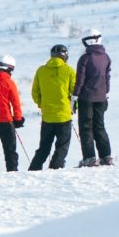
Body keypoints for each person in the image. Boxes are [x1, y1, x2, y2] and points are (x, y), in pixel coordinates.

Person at [29, 43, 77, 171]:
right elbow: (74, 92)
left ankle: (34, 169)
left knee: (44, 147)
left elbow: (35, 93)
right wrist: (73, 107)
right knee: (62, 147)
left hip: (47, 116)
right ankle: (55, 169)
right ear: (65, 56)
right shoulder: (69, 70)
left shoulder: (41, 70)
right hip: (64, 116)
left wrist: (42, 104)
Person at [75, 28, 113, 167]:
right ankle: (106, 156)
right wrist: (106, 93)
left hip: (86, 98)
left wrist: (74, 96)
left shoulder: (85, 58)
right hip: (102, 97)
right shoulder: (106, 57)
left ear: (87, 41)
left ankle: (90, 158)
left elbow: (80, 79)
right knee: (100, 126)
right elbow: (107, 77)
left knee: (86, 128)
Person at [0, 54, 24, 172]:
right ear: (9, 68)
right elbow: (15, 103)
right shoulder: (9, 83)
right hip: (6, 121)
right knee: (10, 151)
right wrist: (18, 119)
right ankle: (12, 173)